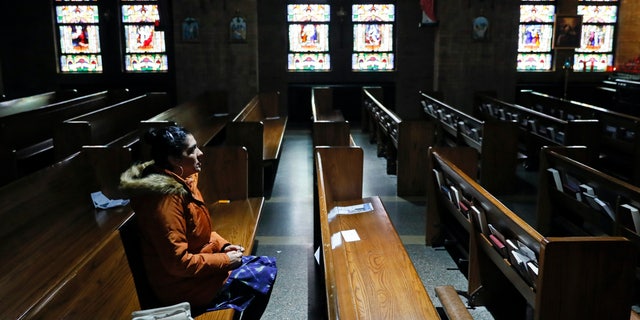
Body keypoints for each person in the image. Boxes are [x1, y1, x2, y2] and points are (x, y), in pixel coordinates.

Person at [119, 126, 276, 319]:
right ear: (175, 160)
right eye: (192, 150)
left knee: (264, 268)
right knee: (263, 273)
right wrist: (225, 261)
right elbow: (178, 263)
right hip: (180, 287)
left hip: (194, 271)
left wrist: (224, 246)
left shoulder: (184, 180)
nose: (200, 153)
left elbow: (198, 231)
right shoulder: (166, 200)